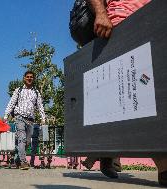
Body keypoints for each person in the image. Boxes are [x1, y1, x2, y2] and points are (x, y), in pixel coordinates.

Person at [70, 0, 167, 186]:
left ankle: (107, 152)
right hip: (124, 26)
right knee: (145, 95)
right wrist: (100, 13)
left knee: (140, 96)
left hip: (154, 23)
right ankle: (162, 166)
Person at [4, 71, 46, 170]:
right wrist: (6, 116)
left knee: (27, 142)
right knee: (22, 139)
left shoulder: (36, 92)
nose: (29, 78)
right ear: (24, 78)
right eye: (27, 77)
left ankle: (18, 159)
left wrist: (43, 118)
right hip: (19, 117)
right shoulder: (18, 90)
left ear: (33, 79)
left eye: (31, 77)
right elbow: (11, 103)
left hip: (31, 120)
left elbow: (40, 106)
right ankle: (23, 162)